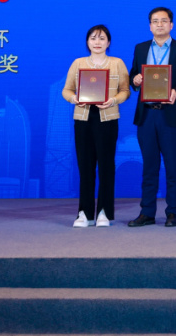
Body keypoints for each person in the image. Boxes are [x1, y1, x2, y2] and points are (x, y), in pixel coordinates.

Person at [126, 7, 176, 228]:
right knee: (149, 166)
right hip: (147, 114)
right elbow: (133, 74)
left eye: (164, 21)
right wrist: (135, 80)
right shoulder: (140, 48)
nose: (159, 24)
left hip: (171, 114)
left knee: (172, 165)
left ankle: (173, 212)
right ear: (150, 26)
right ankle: (147, 212)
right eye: (155, 21)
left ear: (171, 25)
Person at [62, 25, 130, 228]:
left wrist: (113, 100)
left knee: (106, 166)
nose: (97, 42)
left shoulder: (117, 63)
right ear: (87, 42)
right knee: (85, 167)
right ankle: (84, 213)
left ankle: (104, 212)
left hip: (107, 118)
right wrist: (73, 98)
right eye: (93, 38)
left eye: (102, 38)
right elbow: (66, 90)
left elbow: (125, 90)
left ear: (108, 42)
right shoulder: (78, 63)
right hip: (83, 118)